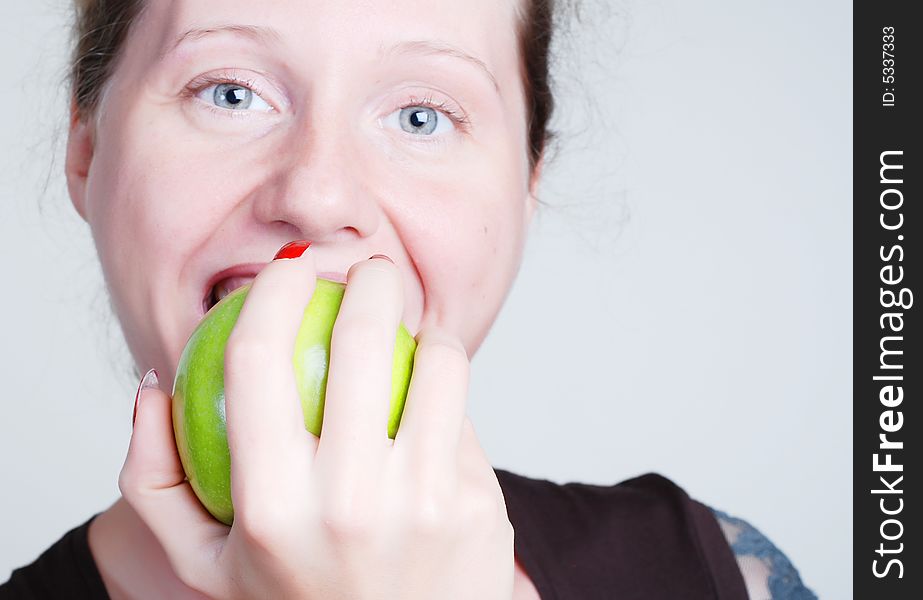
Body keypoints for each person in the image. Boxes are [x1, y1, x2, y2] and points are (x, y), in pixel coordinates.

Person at [1, 0, 817, 598]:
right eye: (230, 93)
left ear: (527, 181)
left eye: (421, 115)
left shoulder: (709, 573)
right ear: (85, 146)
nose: (318, 196)